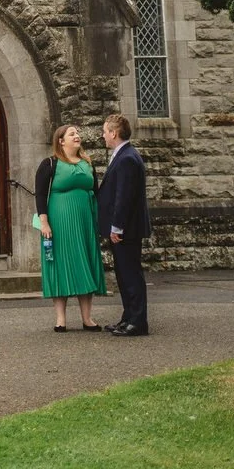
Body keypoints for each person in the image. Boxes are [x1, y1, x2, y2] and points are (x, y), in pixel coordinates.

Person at [35, 125, 107, 332]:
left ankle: (87, 318)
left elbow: (96, 191)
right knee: (60, 264)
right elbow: (40, 194)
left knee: (85, 263)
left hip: (85, 222)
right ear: (60, 141)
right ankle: (60, 319)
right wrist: (44, 222)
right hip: (60, 222)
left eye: (77, 133)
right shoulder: (50, 164)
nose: (77, 136)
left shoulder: (87, 163)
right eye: (72, 134)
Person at [96, 113, 151, 337]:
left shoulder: (127, 158)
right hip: (123, 228)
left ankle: (137, 322)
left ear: (114, 133)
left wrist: (116, 227)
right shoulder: (123, 155)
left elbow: (124, 197)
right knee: (123, 273)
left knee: (130, 274)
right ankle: (128, 317)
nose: (103, 135)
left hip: (126, 229)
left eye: (105, 131)